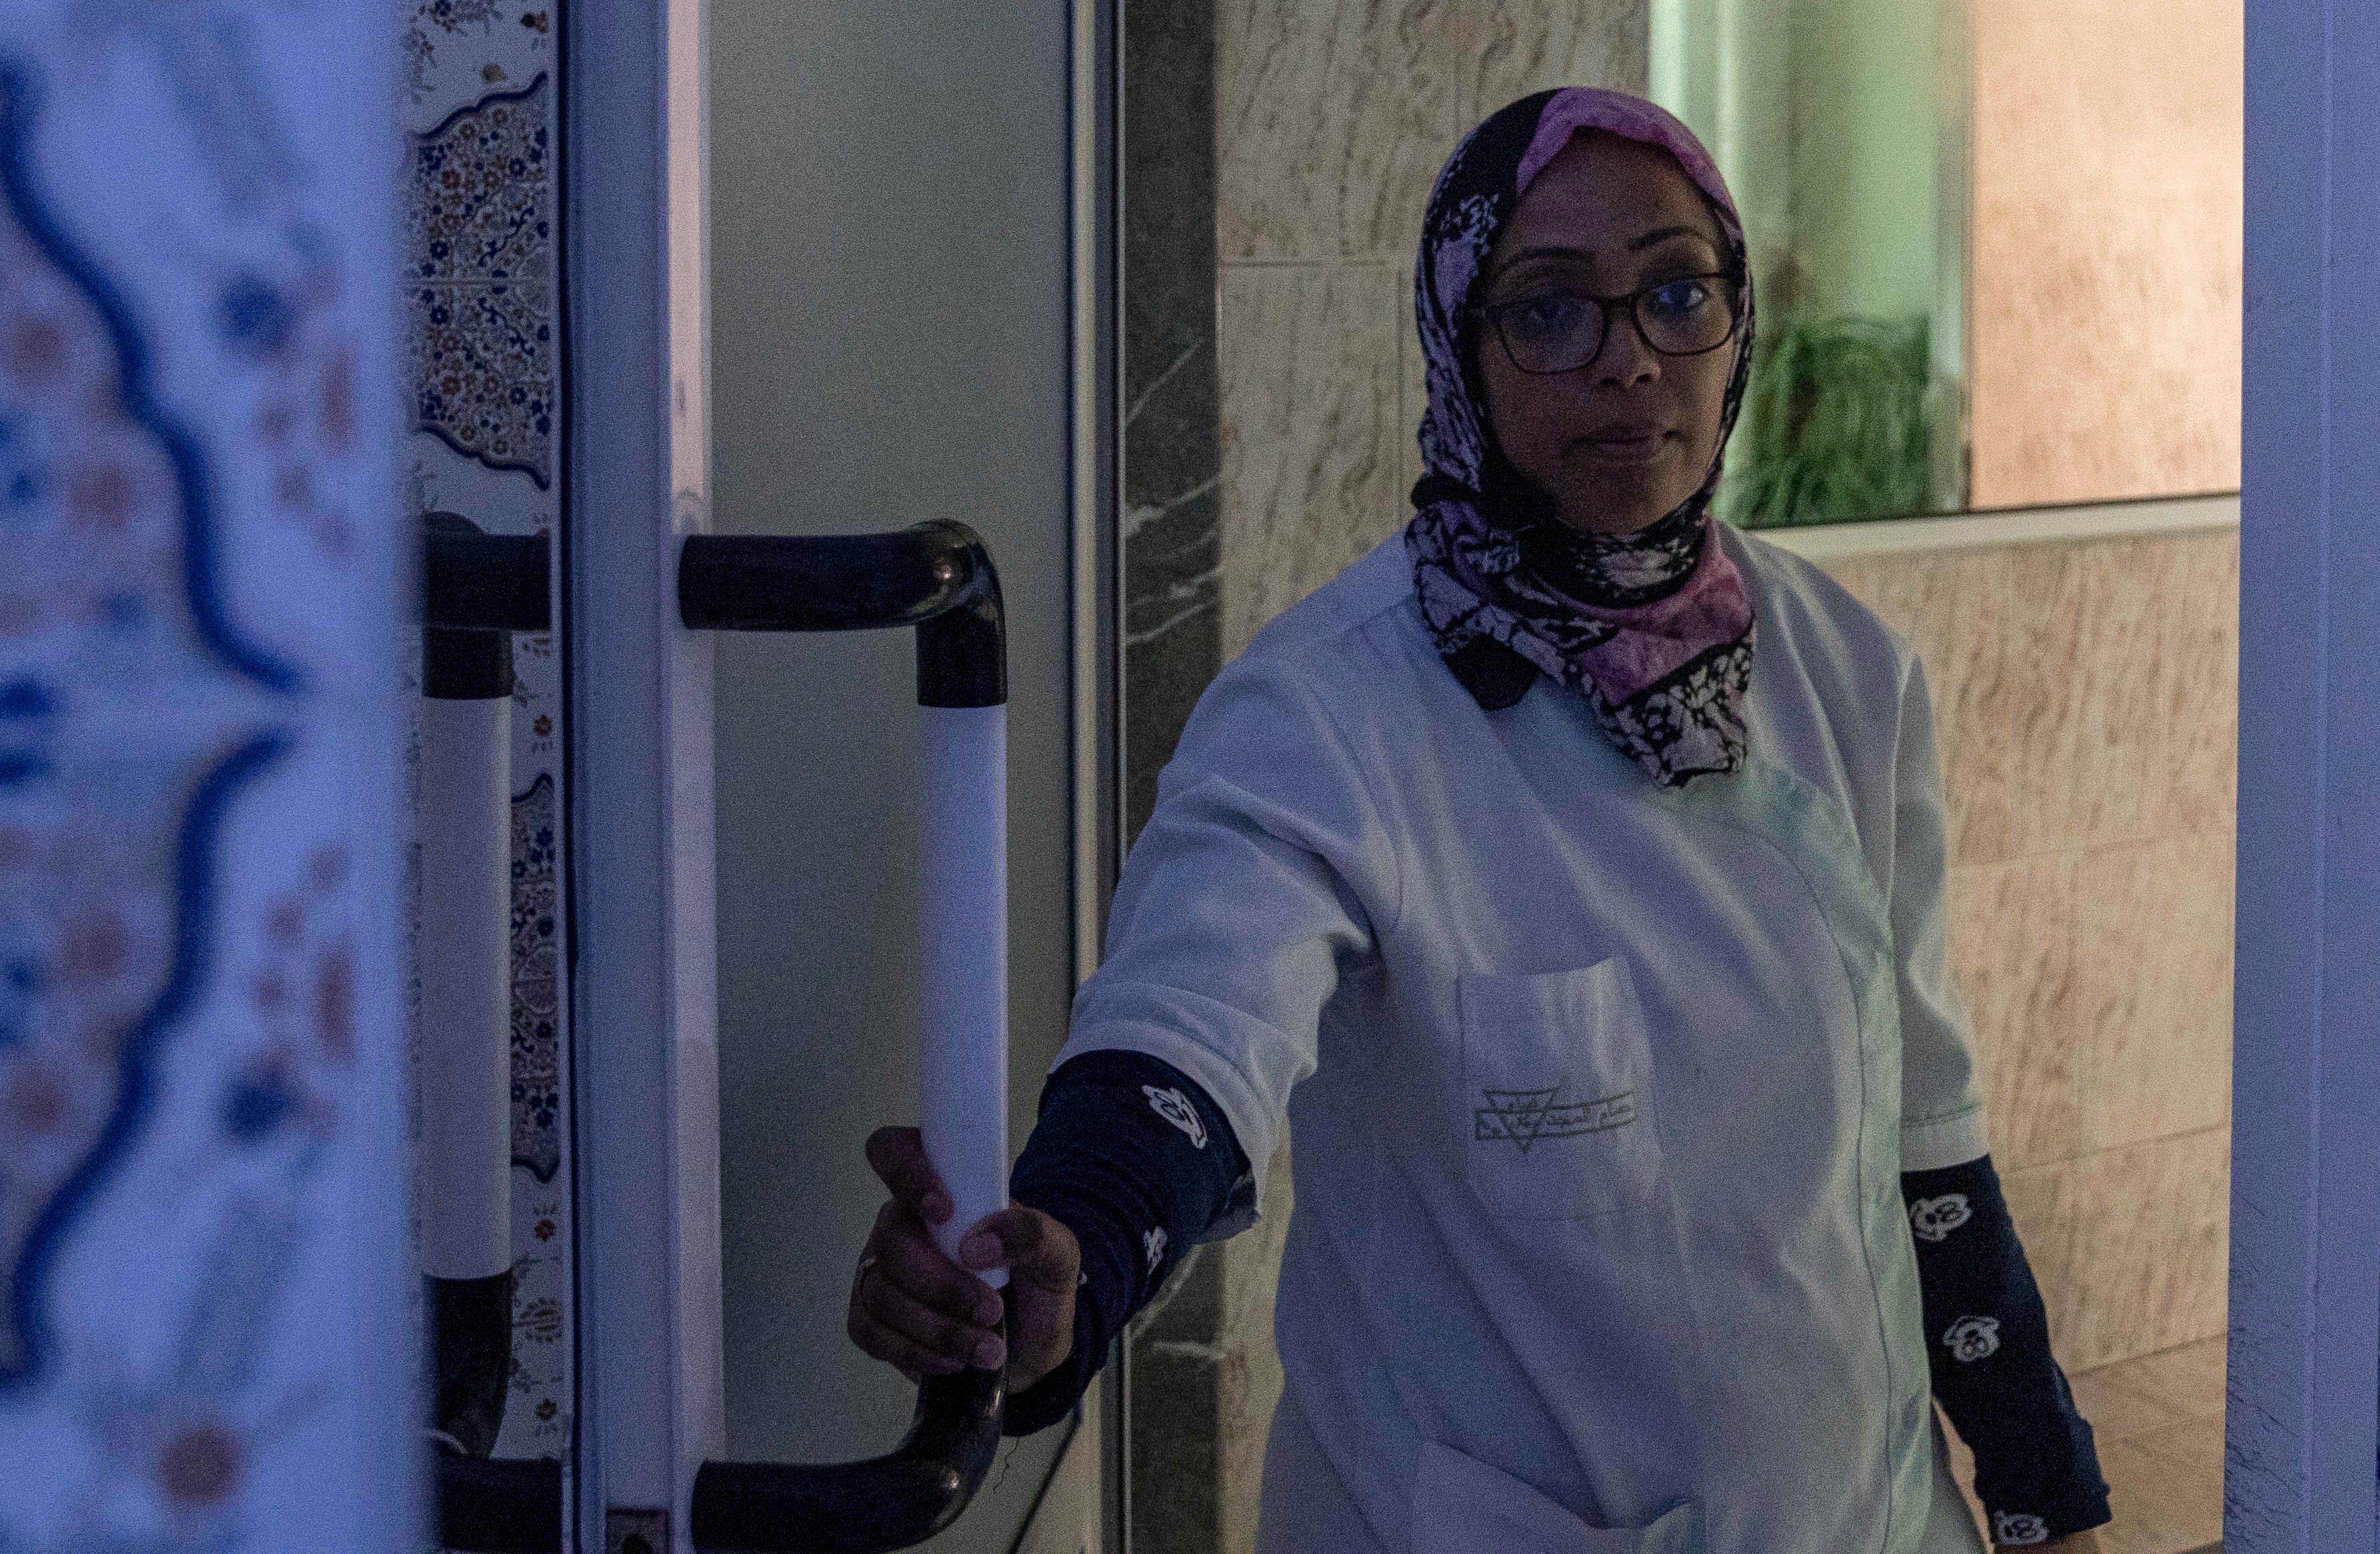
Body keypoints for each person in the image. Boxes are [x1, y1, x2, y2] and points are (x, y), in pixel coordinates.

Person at [847, 88, 2109, 1551]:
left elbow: (1929, 1146)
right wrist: (1068, 1249)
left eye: (1676, 293)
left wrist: (2043, 1495)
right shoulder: (1330, 716)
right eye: (1551, 312)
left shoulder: (1845, 671)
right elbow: (1188, 1035)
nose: (1630, 359)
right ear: (1462, 346)